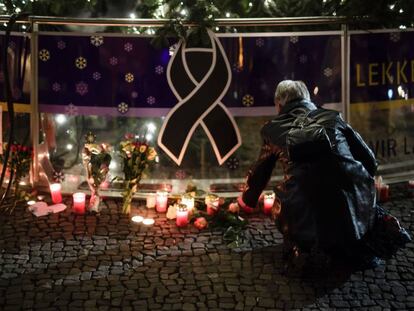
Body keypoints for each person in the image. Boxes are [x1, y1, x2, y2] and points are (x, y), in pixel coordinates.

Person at [237, 80, 411, 269]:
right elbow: (369, 160)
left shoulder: (272, 129)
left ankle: (300, 247)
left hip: (303, 214)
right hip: (355, 206)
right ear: (308, 100)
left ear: (279, 104)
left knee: (292, 193)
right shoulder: (333, 117)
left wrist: (248, 200)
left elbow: (260, 173)